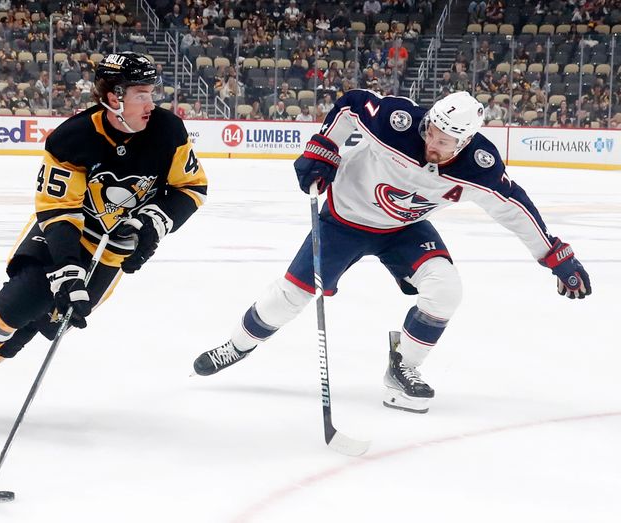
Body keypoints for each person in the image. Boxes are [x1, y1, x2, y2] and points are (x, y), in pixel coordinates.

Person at [192, 90, 591, 414]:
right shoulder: (397, 120)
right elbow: (350, 104)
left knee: (446, 289)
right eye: (431, 131)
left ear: (466, 141)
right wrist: (323, 150)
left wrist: (555, 256)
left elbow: (514, 209)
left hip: (404, 229)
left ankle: (404, 367)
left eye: (444, 141)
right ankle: (238, 345)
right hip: (343, 221)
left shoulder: (478, 166)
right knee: (291, 295)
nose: (431, 142)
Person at [0, 52, 208, 420]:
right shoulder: (73, 138)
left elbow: (191, 187)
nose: (151, 102)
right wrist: (67, 269)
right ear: (115, 97)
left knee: (33, 326)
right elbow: (59, 211)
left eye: (151, 93)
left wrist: (152, 224)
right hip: (61, 237)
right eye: (141, 94)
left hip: (108, 256)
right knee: (19, 303)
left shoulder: (168, 131)